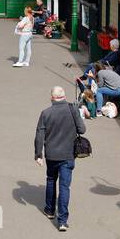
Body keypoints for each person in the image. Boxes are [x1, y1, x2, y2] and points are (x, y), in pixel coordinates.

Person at [35, 86, 86, 231]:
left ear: (52, 98)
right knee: (65, 187)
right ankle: (62, 221)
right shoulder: (73, 110)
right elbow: (82, 130)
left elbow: (39, 135)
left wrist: (39, 155)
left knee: (51, 180)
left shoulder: (45, 113)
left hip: (51, 155)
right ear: (64, 96)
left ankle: (50, 210)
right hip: (68, 155)